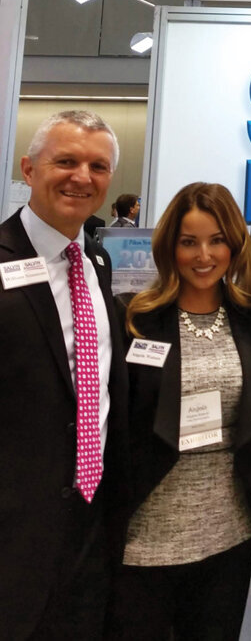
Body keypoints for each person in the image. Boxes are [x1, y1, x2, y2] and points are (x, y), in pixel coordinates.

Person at [105, 182, 251, 639]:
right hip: (144, 539)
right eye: (189, 242)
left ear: (234, 246)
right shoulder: (133, 319)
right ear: (169, 247)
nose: (204, 256)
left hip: (229, 537)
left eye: (217, 241)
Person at [0, 110, 129, 638]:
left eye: (98, 166)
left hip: (91, 519)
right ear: (29, 169)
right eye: (66, 161)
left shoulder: (97, 262)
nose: (82, 177)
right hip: (15, 527)